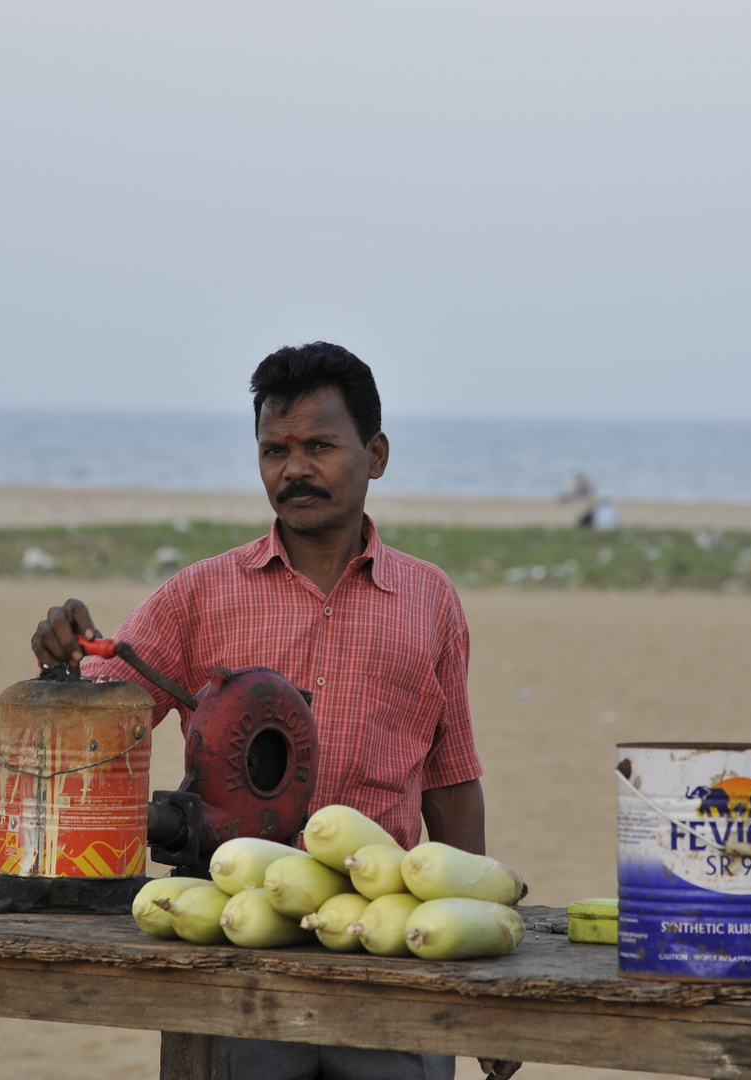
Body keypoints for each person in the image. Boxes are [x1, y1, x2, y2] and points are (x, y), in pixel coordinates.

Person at [32, 343, 519, 1080]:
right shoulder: (198, 594)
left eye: (319, 446)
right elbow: (101, 727)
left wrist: (476, 951)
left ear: (375, 454)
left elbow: (448, 779)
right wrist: (61, 663)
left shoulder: (430, 601)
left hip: (384, 942)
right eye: (274, 451)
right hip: (236, 943)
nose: (293, 470)